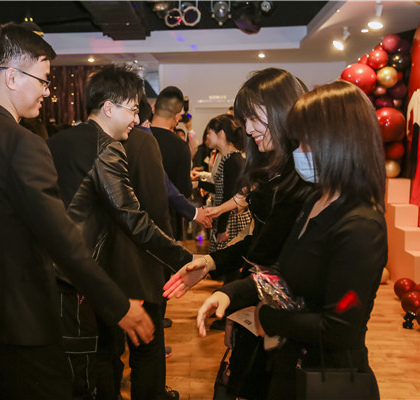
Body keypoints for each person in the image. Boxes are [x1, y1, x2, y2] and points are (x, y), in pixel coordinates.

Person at [0, 23, 153, 400]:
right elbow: (61, 238)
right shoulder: (23, 143)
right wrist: (117, 305)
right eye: (44, 80)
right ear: (12, 76)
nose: (47, 92)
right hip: (20, 325)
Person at [196, 80, 387, 400]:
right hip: (291, 366)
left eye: (305, 142)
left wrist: (266, 317)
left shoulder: (361, 225)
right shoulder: (315, 202)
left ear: (339, 143)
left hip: (329, 379)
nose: (297, 152)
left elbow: (339, 329)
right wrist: (229, 294)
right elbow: (281, 273)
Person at [164, 68, 313, 399]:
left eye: (254, 118)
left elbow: (284, 262)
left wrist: (235, 294)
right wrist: (210, 263)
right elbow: (260, 243)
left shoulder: (304, 179)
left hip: (289, 322)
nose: (247, 128)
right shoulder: (274, 169)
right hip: (264, 303)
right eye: (245, 120)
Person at [48, 65, 192, 400]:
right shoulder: (107, 147)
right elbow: (134, 218)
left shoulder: (57, 142)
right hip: (76, 281)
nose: (137, 118)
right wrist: (186, 260)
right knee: (86, 377)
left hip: (51, 274)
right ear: (109, 108)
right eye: (133, 109)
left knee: (75, 371)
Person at [193, 114, 251, 252]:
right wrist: (199, 184)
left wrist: (221, 229)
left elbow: (228, 196)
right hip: (227, 218)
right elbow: (222, 188)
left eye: (209, 133)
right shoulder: (229, 158)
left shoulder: (231, 160)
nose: (207, 137)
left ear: (221, 134)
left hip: (230, 221)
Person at [151, 86, 193, 240]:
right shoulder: (180, 146)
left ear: (154, 108)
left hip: (136, 221)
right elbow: (184, 191)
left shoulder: (135, 137)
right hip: (168, 222)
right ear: (177, 117)